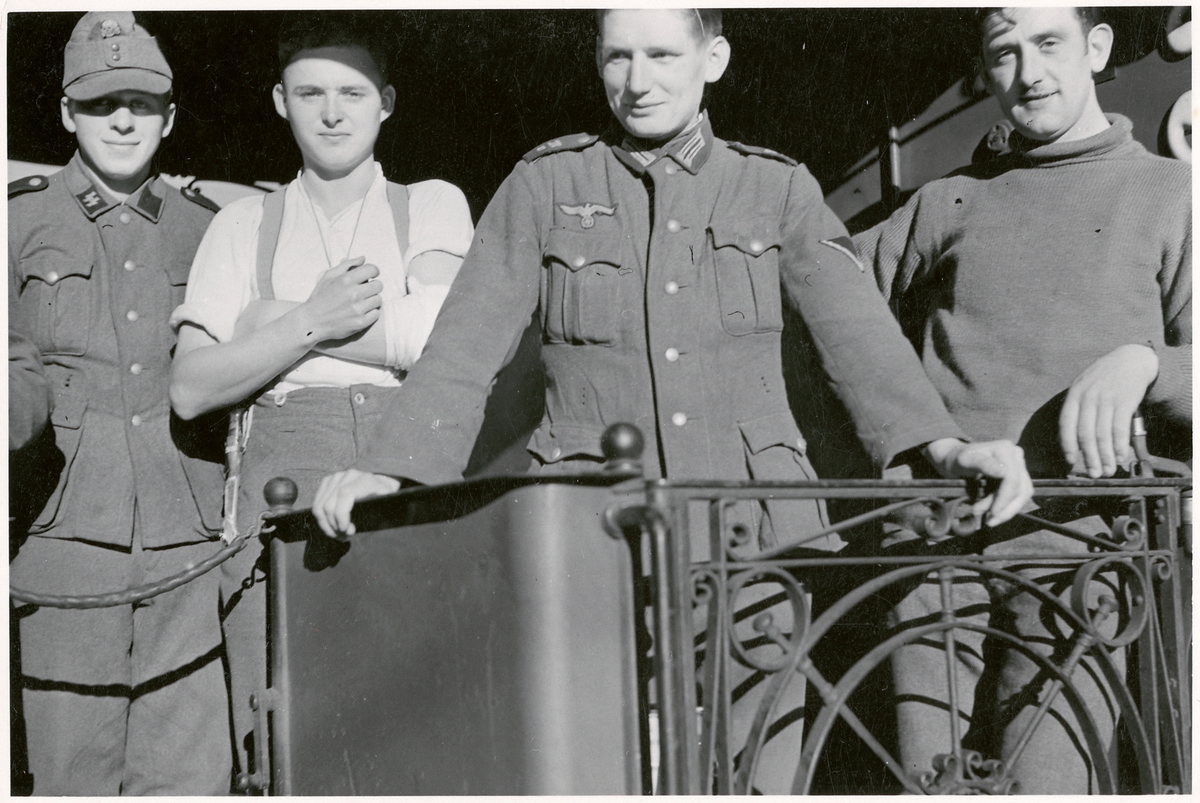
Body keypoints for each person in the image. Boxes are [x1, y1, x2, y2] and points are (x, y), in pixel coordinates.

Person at [313, 8, 1033, 793]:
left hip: (756, 549)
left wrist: (944, 447)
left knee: (754, 777)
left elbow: (859, 339)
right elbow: (465, 344)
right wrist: (392, 466)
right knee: (599, 773)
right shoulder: (547, 184)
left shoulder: (775, 187)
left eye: (661, 54)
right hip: (593, 544)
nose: (637, 80)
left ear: (712, 58)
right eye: (617, 57)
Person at [856, 7, 1191, 793]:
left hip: (1081, 557)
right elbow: (829, 309)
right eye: (1004, 53)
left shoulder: (1172, 194)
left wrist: (1147, 363)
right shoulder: (944, 202)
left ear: (1096, 48)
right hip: (934, 556)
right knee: (926, 785)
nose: (1029, 73)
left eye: (1048, 44)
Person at [168, 13, 474, 784]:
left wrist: (269, 325)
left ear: (386, 102)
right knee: (285, 750)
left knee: (413, 737)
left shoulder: (431, 205)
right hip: (278, 492)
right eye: (310, 93)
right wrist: (310, 319)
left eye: (353, 92)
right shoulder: (240, 225)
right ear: (281, 101)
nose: (332, 112)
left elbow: (439, 339)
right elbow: (191, 386)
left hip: (401, 473)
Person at [8, 12, 232, 794]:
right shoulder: (16, 222)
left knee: (190, 777)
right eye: (102, 103)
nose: (124, 121)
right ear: (67, 112)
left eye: (141, 103)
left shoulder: (211, 230)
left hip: (187, 547)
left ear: (169, 116)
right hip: (62, 545)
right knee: (73, 774)